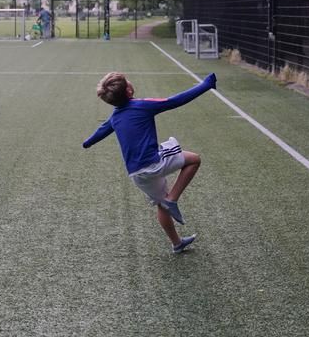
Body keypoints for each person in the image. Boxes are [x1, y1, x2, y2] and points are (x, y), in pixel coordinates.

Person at [83, 71, 217, 254]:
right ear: (129, 90)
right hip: (154, 163)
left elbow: (101, 130)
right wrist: (206, 85)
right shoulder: (142, 105)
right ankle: (173, 199)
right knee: (194, 160)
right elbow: (174, 101)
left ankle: (177, 243)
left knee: (160, 203)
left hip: (137, 174)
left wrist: (87, 143)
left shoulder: (115, 117)